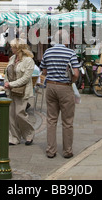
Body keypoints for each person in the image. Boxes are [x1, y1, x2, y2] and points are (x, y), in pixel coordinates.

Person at [39, 29, 80, 159]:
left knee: (51, 120)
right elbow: (76, 74)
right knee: (67, 121)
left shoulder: (48, 52)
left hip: (50, 86)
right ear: (67, 40)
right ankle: (67, 151)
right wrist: (71, 81)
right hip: (65, 87)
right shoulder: (70, 53)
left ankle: (51, 150)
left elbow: (44, 71)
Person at [4, 39, 35, 146]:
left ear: (18, 48)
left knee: (19, 114)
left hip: (22, 91)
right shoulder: (12, 58)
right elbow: (6, 73)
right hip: (11, 91)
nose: (11, 48)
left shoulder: (28, 60)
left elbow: (26, 78)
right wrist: (6, 82)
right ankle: (14, 137)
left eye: (13, 47)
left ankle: (29, 133)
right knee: (11, 115)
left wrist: (12, 84)